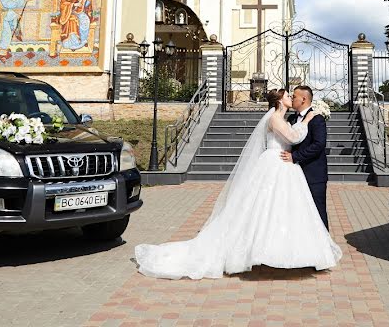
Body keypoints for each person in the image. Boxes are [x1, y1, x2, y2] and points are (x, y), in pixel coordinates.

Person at [132, 89, 342, 279]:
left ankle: (293, 252)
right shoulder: (276, 119)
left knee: (282, 210)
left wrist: (307, 121)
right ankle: (258, 252)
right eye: (288, 95)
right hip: (275, 164)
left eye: (292, 95)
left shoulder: (284, 117)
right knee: (264, 209)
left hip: (285, 166)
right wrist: (306, 121)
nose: (290, 98)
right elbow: (294, 137)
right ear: (279, 100)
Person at [280, 85, 329, 229]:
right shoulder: (292, 118)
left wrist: (295, 156)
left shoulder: (317, 119)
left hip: (313, 174)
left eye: (294, 96)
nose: (292, 98)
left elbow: (318, 145)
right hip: (294, 174)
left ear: (304, 99)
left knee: (318, 211)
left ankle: (324, 246)